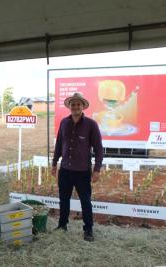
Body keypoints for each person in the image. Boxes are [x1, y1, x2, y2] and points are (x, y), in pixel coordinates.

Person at [51, 92, 103, 242]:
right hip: (65, 170)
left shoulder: (91, 124)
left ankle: (88, 230)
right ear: (69, 106)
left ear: (83, 106)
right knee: (63, 199)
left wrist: (97, 169)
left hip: (82, 171)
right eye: (73, 104)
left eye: (78, 104)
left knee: (85, 201)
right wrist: (54, 164)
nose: (75, 106)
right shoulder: (64, 123)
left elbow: (99, 149)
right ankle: (62, 225)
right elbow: (59, 145)